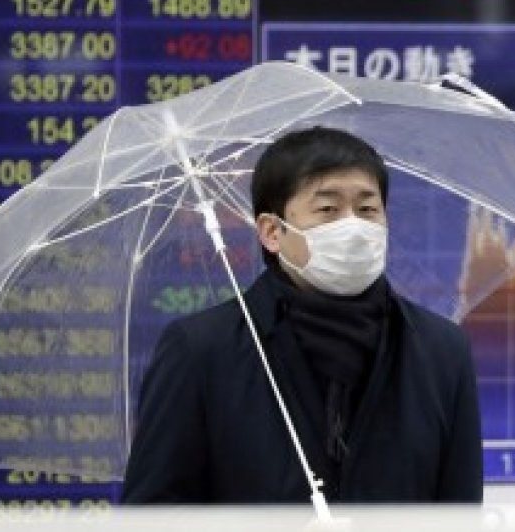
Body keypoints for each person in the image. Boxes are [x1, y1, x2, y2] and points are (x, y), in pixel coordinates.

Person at [122, 127, 483, 504]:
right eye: (328, 210)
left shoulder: (441, 350)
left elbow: (460, 511)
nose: (353, 228)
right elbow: (152, 514)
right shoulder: (201, 351)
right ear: (272, 232)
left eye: (367, 210)